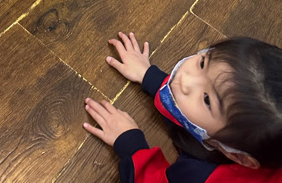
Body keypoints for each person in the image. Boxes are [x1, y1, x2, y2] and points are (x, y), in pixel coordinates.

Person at [83, 30, 282, 182]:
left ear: (238, 156)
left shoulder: (199, 176)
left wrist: (129, 142)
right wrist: (148, 75)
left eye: (207, 100)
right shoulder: (256, 133)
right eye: (203, 63)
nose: (185, 78)